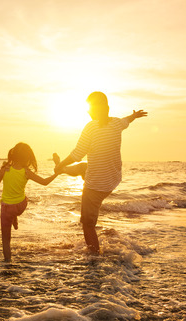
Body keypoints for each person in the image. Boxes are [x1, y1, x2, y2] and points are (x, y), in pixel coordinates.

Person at [54, 92, 147, 255]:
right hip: (112, 179)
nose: (88, 112)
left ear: (95, 110)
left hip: (95, 185)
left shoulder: (91, 127)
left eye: (89, 109)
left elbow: (77, 154)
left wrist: (61, 162)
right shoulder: (117, 123)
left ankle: (95, 259)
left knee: (88, 224)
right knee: (83, 167)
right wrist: (134, 116)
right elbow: (127, 120)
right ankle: (63, 170)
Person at [0, 142, 85, 262]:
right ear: (27, 157)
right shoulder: (26, 172)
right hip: (20, 206)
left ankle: (8, 264)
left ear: (14, 154)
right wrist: (57, 173)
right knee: (24, 198)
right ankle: (15, 216)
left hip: (6, 208)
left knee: (6, 240)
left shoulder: (5, 168)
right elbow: (45, 182)